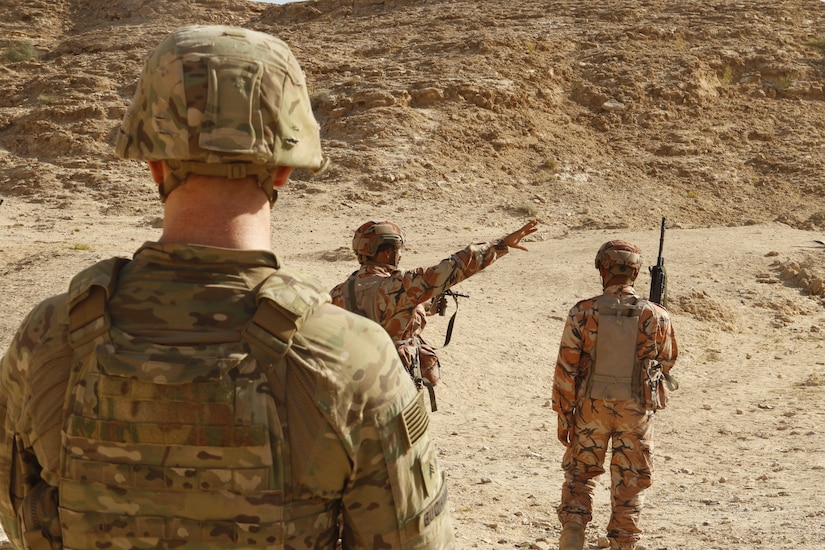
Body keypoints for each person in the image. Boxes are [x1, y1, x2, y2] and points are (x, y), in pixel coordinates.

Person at [0, 25, 455, 549]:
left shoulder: (49, 337)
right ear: (284, 168)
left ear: (153, 164)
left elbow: (22, 516)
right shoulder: (351, 357)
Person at [551, 240, 678, 550]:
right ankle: (624, 542)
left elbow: (566, 368)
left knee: (580, 473)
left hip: (589, 408)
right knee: (631, 481)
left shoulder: (582, 311)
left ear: (602, 269)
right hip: (635, 411)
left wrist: (564, 415)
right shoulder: (657, 315)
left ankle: (573, 531)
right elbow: (668, 360)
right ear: (636, 272)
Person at [330, 219, 538, 404]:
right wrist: (500, 245)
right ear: (386, 252)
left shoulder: (339, 291)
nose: (400, 255)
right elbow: (453, 267)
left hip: (352, 386)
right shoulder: (399, 285)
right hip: (393, 386)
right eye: (398, 250)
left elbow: (376, 314)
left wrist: (422, 308)